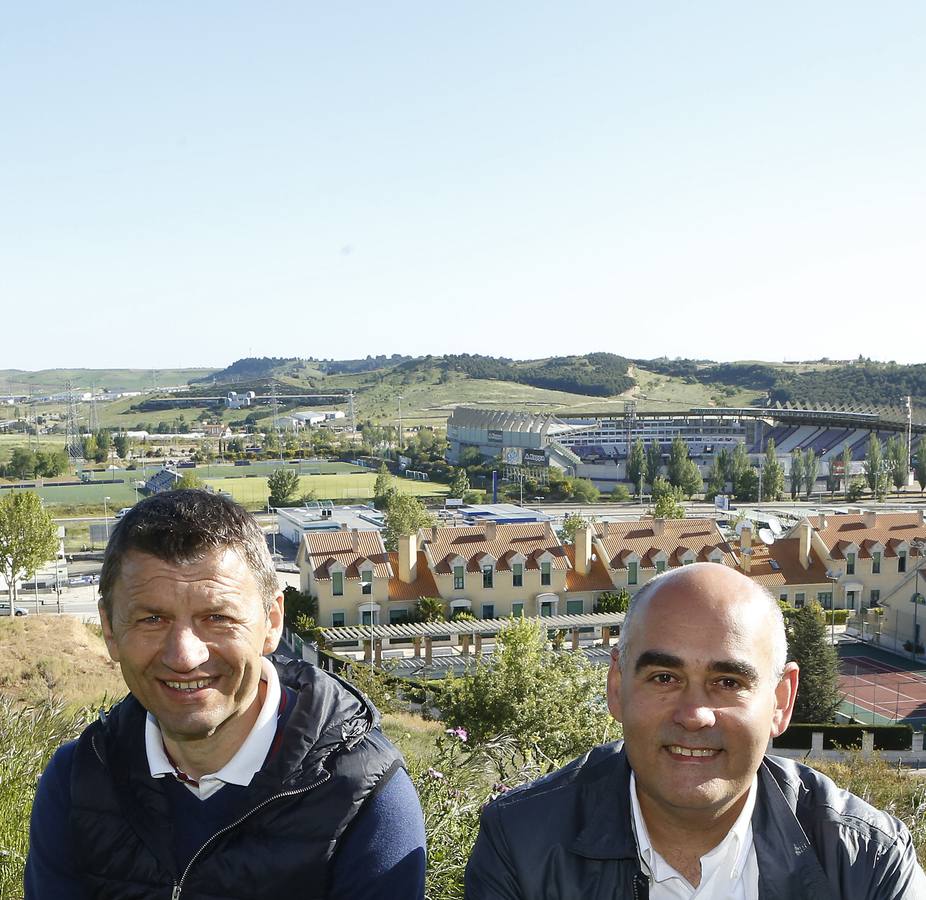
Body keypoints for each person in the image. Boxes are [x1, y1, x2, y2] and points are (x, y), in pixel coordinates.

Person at [26, 489, 426, 900]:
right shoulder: (78, 780)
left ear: (271, 622)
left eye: (217, 617)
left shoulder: (363, 794)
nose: (184, 656)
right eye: (152, 619)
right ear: (109, 631)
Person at [465, 562, 926, 899]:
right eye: (664, 678)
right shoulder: (521, 845)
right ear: (616, 687)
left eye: (728, 683)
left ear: (781, 701)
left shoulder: (867, 861)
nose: (694, 714)